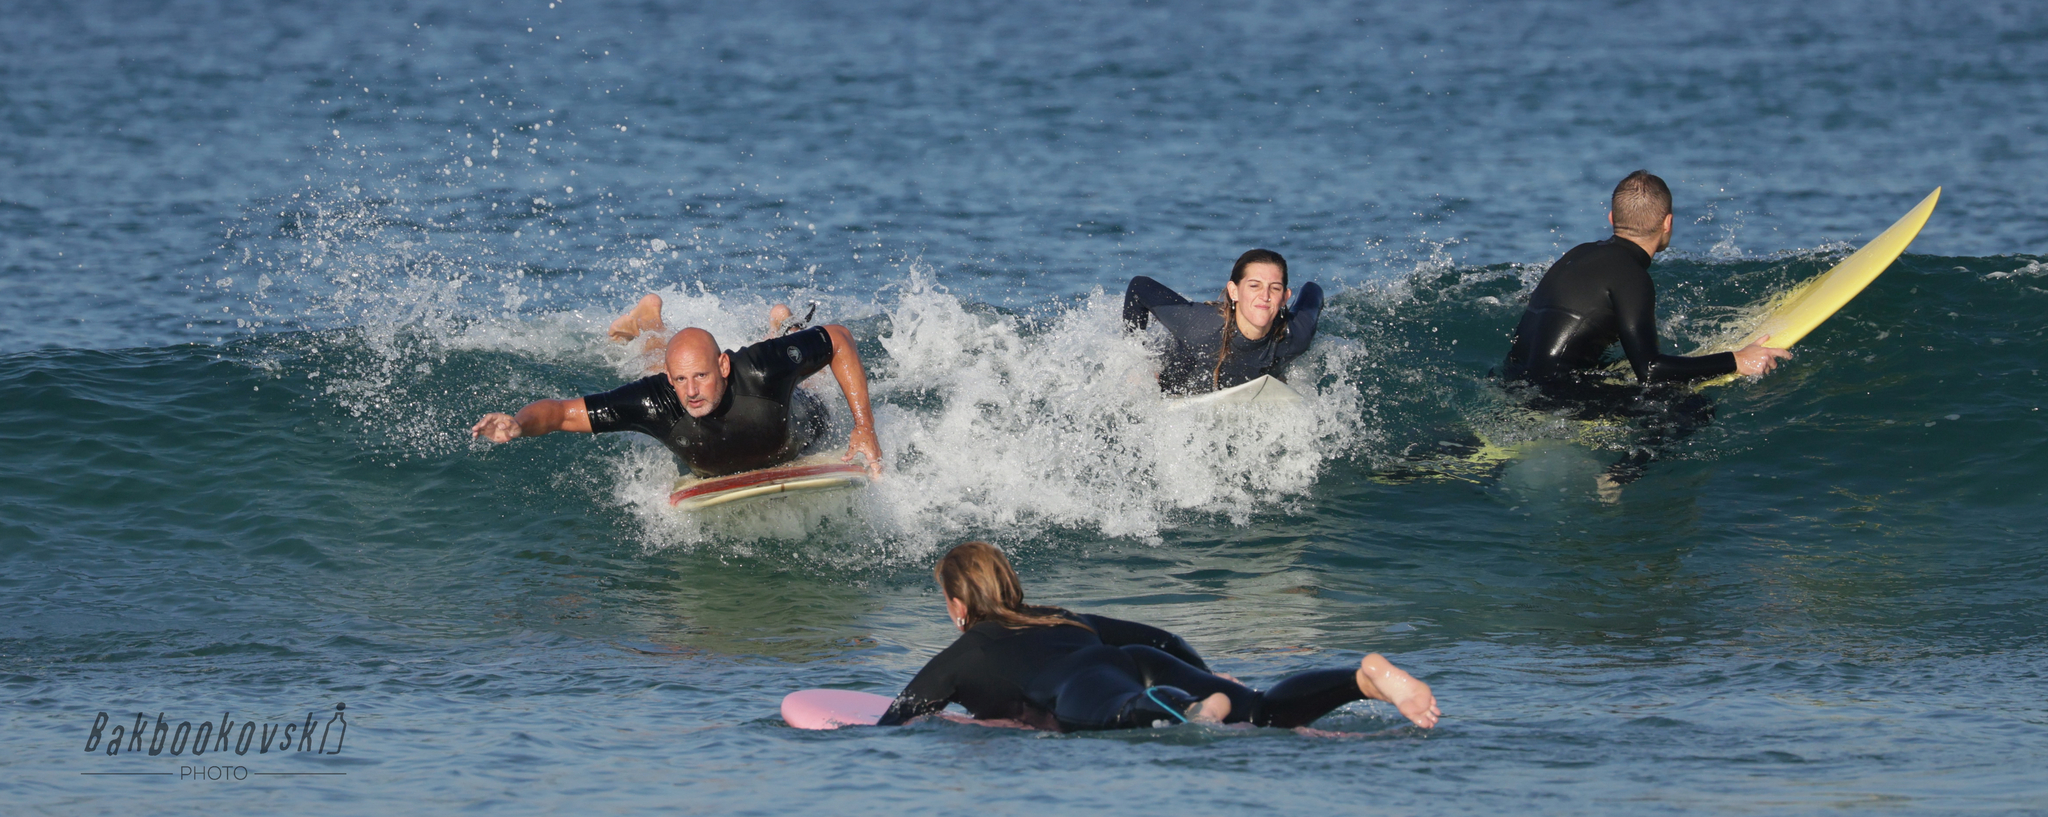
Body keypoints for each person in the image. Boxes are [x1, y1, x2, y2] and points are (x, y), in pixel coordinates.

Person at [877, 541, 1439, 733]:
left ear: (956, 605)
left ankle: (1197, 709)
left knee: (1128, 715)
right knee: (1265, 712)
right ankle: (1361, 680)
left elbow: (897, 717)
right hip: (1134, 658)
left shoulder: (964, 651)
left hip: (1084, 687)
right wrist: (1211, 671)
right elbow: (1164, 639)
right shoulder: (1060, 617)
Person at [1500, 171, 1792, 487]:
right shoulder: (1633, 277)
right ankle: (1619, 476)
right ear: (1667, 223)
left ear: (1612, 218)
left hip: (1511, 381)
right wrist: (1737, 360)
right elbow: (1650, 371)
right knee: (1691, 408)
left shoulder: (1579, 253)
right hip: (1552, 397)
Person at [470, 293, 883, 478]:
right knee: (658, 361)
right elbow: (561, 413)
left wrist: (864, 425)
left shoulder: (756, 369)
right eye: (681, 381)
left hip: (800, 425)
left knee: (807, 378)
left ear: (723, 365)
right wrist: (520, 424)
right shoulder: (660, 401)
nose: (691, 391)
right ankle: (648, 321)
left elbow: (838, 339)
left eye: (701, 376)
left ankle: (783, 327)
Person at [1122, 249, 1325, 395]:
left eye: (1275, 288)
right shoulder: (1201, 325)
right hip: (1173, 387)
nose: (1265, 296)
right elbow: (1139, 287)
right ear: (1234, 291)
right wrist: (1137, 361)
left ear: (1285, 297)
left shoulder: (1295, 335)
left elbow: (1313, 290)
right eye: (1254, 286)